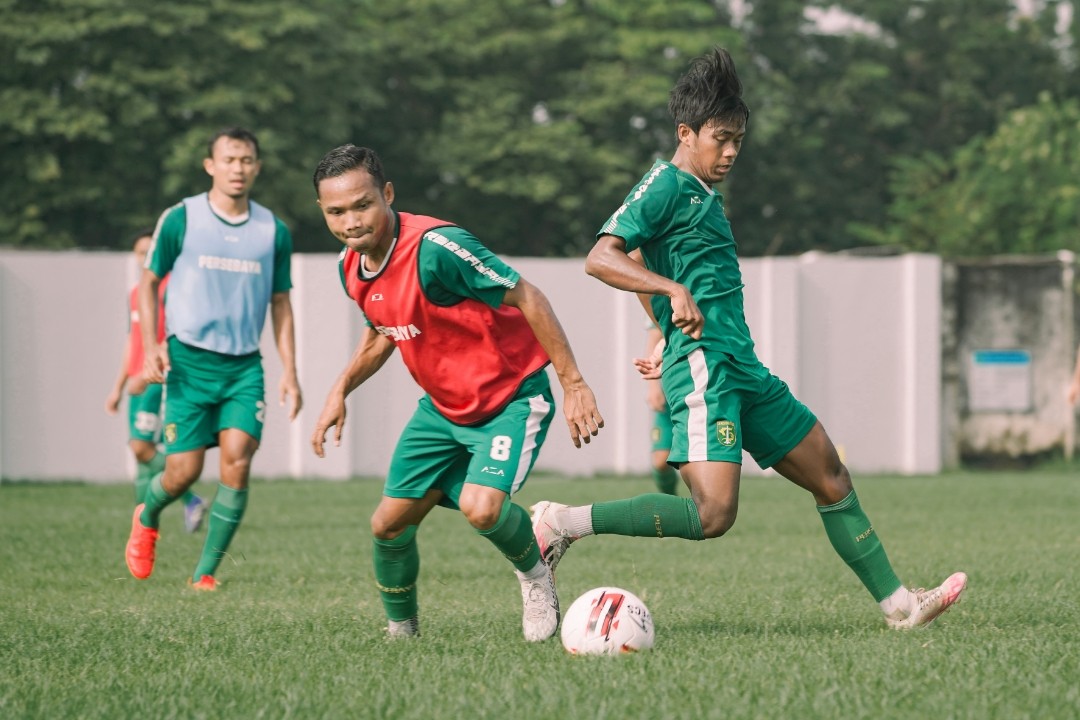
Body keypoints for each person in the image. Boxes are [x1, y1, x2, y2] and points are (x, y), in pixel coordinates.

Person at [531, 48, 967, 630]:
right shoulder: (662, 184)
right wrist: (671, 295)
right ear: (686, 133)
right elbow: (603, 256)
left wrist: (662, 326)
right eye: (721, 138)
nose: (732, 150)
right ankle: (561, 522)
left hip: (743, 367)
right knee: (714, 514)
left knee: (831, 477)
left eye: (739, 138)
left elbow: (639, 255)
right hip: (707, 368)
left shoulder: (703, 195)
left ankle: (901, 608)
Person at [309, 144, 603, 640]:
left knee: (481, 507)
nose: (351, 221)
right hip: (442, 412)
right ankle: (402, 632)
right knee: (388, 525)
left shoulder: (437, 247)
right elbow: (385, 331)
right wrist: (339, 390)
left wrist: (572, 382)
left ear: (387, 194)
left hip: (510, 398)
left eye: (362, 205)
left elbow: (528, 296)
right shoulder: (350, 269)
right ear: (322, 211)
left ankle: (537, 577)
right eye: (336, 211)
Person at [124, 127, 303, 591]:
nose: (237, 169)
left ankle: (205, 573)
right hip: (187, 363)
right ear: (210, 166)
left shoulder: (272, 230)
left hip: (244, 367)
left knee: (238, 461)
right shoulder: (181, 218)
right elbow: (148, 283)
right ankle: (148, 512)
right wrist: (152, 344)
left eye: (246, 160)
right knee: (182, 473)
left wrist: (291, 372)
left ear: (257, 167)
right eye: (229, 160)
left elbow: (280, 302)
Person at [104, 229, 207, 532]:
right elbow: (131, 340)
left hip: (157, 379)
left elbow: (178, 338)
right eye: (139, 252)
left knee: (140, 447)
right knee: (142, 454)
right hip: (137, 381)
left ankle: (190, 497)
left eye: (150, 250)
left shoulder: (173, 288)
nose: (144, 257)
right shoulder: (136, 293)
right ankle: (144, 522)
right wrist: (117, 386)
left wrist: (149, 374)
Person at [644, 322, 678, 495]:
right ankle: (672, 502)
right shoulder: (661, 297)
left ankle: (702, 513)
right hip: (670, 393)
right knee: (660, 460)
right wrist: (653, 387)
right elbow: (655, 337)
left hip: (701, 389)